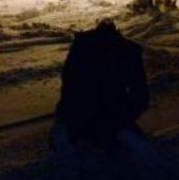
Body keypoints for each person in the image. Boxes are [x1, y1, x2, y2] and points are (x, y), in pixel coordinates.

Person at [51, 19, 151, 153]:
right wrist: (126, 116)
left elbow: (68, 83)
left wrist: (65, 113)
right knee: (132, 145)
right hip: (109, 115)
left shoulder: (80, 47)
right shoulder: (128, 51)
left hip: (77, 114)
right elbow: (140, 93)